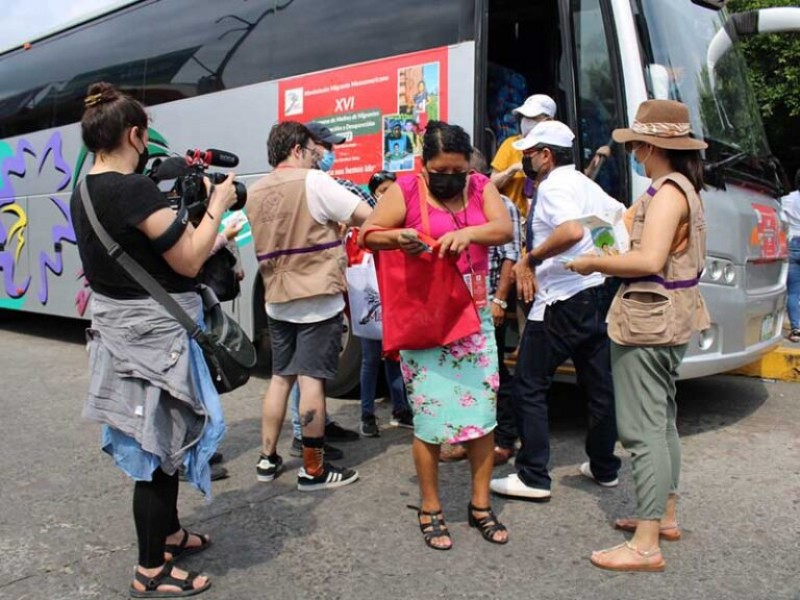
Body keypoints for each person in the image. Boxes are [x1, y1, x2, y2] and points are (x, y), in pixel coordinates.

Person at [71, 82, 239, 597]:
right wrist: (219, 206)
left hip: (122, 334)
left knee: (157, 446)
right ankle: (151, 569)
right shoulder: (132, 188)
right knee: (158, 455)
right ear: (135, 134)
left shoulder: (84, 189)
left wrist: (203, 227)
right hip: (155, 341)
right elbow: (188, 260)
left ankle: (168, 533)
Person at [565, 99, 711, 572]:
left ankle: (647, 545)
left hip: (649, 320)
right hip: (674, 316)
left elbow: (647, 261)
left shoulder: (667, 193)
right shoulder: (678, 188)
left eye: (635, 145)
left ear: (649, 146)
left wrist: (593, 262)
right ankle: (662, 516)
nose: (633, 152)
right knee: (662, 419)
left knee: (641, 430)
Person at [360, 121, 513, 550]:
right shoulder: (405, 189)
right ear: (425, 165)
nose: (451, 178)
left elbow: (504, 230)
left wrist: (468, 232)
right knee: (429, 421)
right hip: (427, 317)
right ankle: (430, 507)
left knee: (483, 417)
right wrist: (399, 237)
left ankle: (480, 505)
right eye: (441, 170)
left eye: (458, 170)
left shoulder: (482, 186)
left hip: (475, 316)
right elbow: (367, 234)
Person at [490, 120, 622, 502]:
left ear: (545, 155)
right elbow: (615, 221)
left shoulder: (553, 187)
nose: (525, 161)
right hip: (595, 293)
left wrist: (529, 259)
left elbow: (571, 232)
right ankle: (604, 467)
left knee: (529, 384)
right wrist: (600, 264)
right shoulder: (586, 185)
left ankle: (533, 476)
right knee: (599, 387)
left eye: (528, 154)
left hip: (561, 300)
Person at [248, 121, 371, 491]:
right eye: (313, 150)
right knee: (312, 380)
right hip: (317, 297)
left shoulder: (255, 191)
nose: (320, 156)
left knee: (280, 378)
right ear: (297, 150)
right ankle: (313, 469)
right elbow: (365, 215)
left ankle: (267, 459)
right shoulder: (313, 182)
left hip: (276, 298)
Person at [471, 149, 521, 466]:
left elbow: (510, 255)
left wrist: (500, 299)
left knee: (495, 372)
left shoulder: (503, 205)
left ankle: (505, 438)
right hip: (462, 303)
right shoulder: (460, 206)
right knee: (470, 373)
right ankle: (475, 436)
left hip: (489, 301)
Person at [357, 169, 414, 436]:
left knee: (395, 356)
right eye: (382, 192)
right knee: (370, 358)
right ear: (373, 195)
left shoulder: (402, 222)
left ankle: (400, 409)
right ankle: (367, 415)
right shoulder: (365, 225)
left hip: (395, 298)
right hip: (372, 301)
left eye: (391, 190)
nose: (387, 196)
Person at [490, 94, 557, 218]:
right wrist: (513, 169)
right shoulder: (510, 145)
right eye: (524, 117)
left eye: (532, 118)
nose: (526, 122)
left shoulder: (557, 149)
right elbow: (490, 185)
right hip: (513, 220)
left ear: (548, 121)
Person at [782, 169, 800, 342]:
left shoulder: (788, 199)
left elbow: (780, 218)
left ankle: (796, 329)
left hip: (793, 243)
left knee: (793, 291)